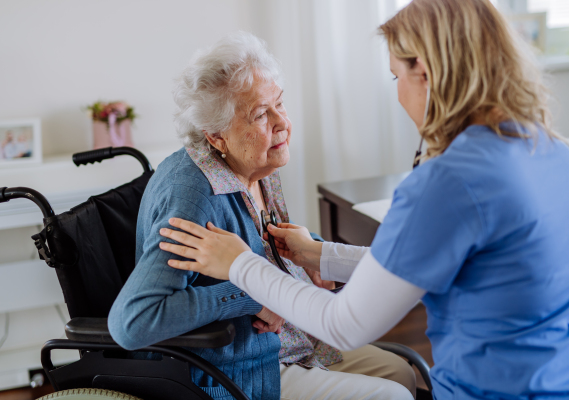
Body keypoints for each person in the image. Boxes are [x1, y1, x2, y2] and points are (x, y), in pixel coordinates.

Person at [158, 1, 569, 399]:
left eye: (396, 75)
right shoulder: (549, 149)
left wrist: (240, 264)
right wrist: (321, 255)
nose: (398, 90)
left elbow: (344, 325)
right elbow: (427, 258)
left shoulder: (450, 181)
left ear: (426, 72)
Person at [108, 32, 416, 400]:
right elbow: (134, 321)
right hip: (242, 366)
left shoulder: (255, 161)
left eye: (280, 104)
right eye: (259, 115)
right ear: (217, 136)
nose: (281, 122)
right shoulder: (192, 197)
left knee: (401, 375)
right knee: (391, 396)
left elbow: (262, 251)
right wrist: (253, 294)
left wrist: (312, 256)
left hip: (294, 338)